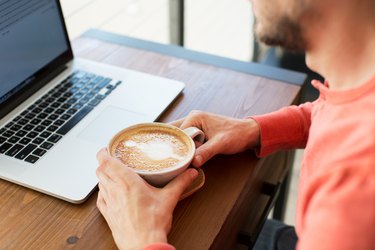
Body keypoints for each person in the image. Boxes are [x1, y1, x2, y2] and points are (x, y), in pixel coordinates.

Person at [95, 0, 375, 249]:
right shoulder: (359, 80)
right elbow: (335, 109)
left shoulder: (353, 197)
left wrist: (143, 238)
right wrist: (255, 129)